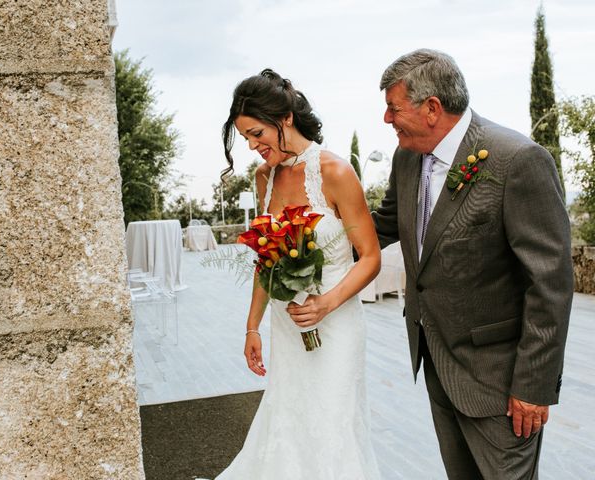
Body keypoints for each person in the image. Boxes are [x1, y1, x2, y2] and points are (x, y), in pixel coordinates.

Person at [372, 49, 573, 479]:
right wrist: (301, 243)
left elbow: (550, 283)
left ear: (431, 109)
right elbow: (382, 227)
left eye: (393, 108)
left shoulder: (517, 160)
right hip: (436, 362)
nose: (387, 120)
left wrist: (533, 387)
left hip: (500, 381)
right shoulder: (406, 159)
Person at [214, 69, 382, 479]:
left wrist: (326, 303)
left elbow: (371, 257)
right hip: (287, 328)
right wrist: (252, 327)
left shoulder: (336, 173)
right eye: (246, 138)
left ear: (285, 118)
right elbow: (266, 257)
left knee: (331, 426)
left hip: (336, 325)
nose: (253, 146)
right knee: (290, 423)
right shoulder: (264, 178)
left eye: (257, 134)